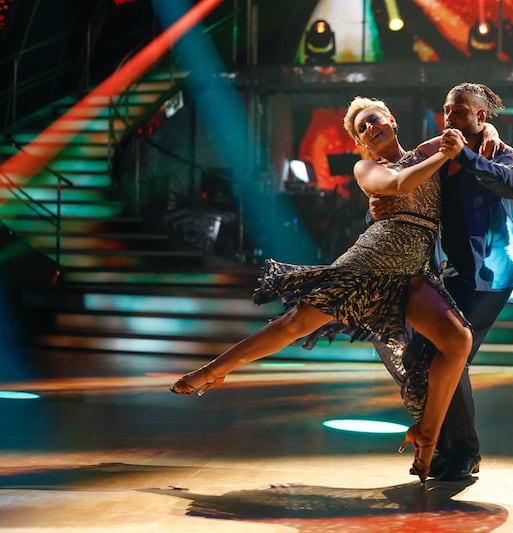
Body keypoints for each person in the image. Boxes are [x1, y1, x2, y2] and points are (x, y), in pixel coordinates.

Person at [170, 96, 480, 483]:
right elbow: (400, 183)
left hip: (412, 272)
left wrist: (486, 135)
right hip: (371, 261)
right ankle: (212, 371)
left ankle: (427, 437)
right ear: (361, 144)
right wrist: (443, 156)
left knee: (458, 340)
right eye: (362, 129)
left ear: (392, 119)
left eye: (373, 120)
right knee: (295, 323)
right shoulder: (366, 168)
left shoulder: (429, 148)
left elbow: (474, 132)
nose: (370, 128)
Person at [370, 82, 513, 481]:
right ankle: (444, 446)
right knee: (420, 356)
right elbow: (402, 184)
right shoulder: (437, 153)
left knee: (451, 357)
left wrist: (470, 154)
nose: (450, 118)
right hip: (452, 272)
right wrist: (378, 207)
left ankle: (465, 452)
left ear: (481, 117)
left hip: (492, 272)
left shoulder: (498, 152)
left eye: (460, 112)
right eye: (447, 110)